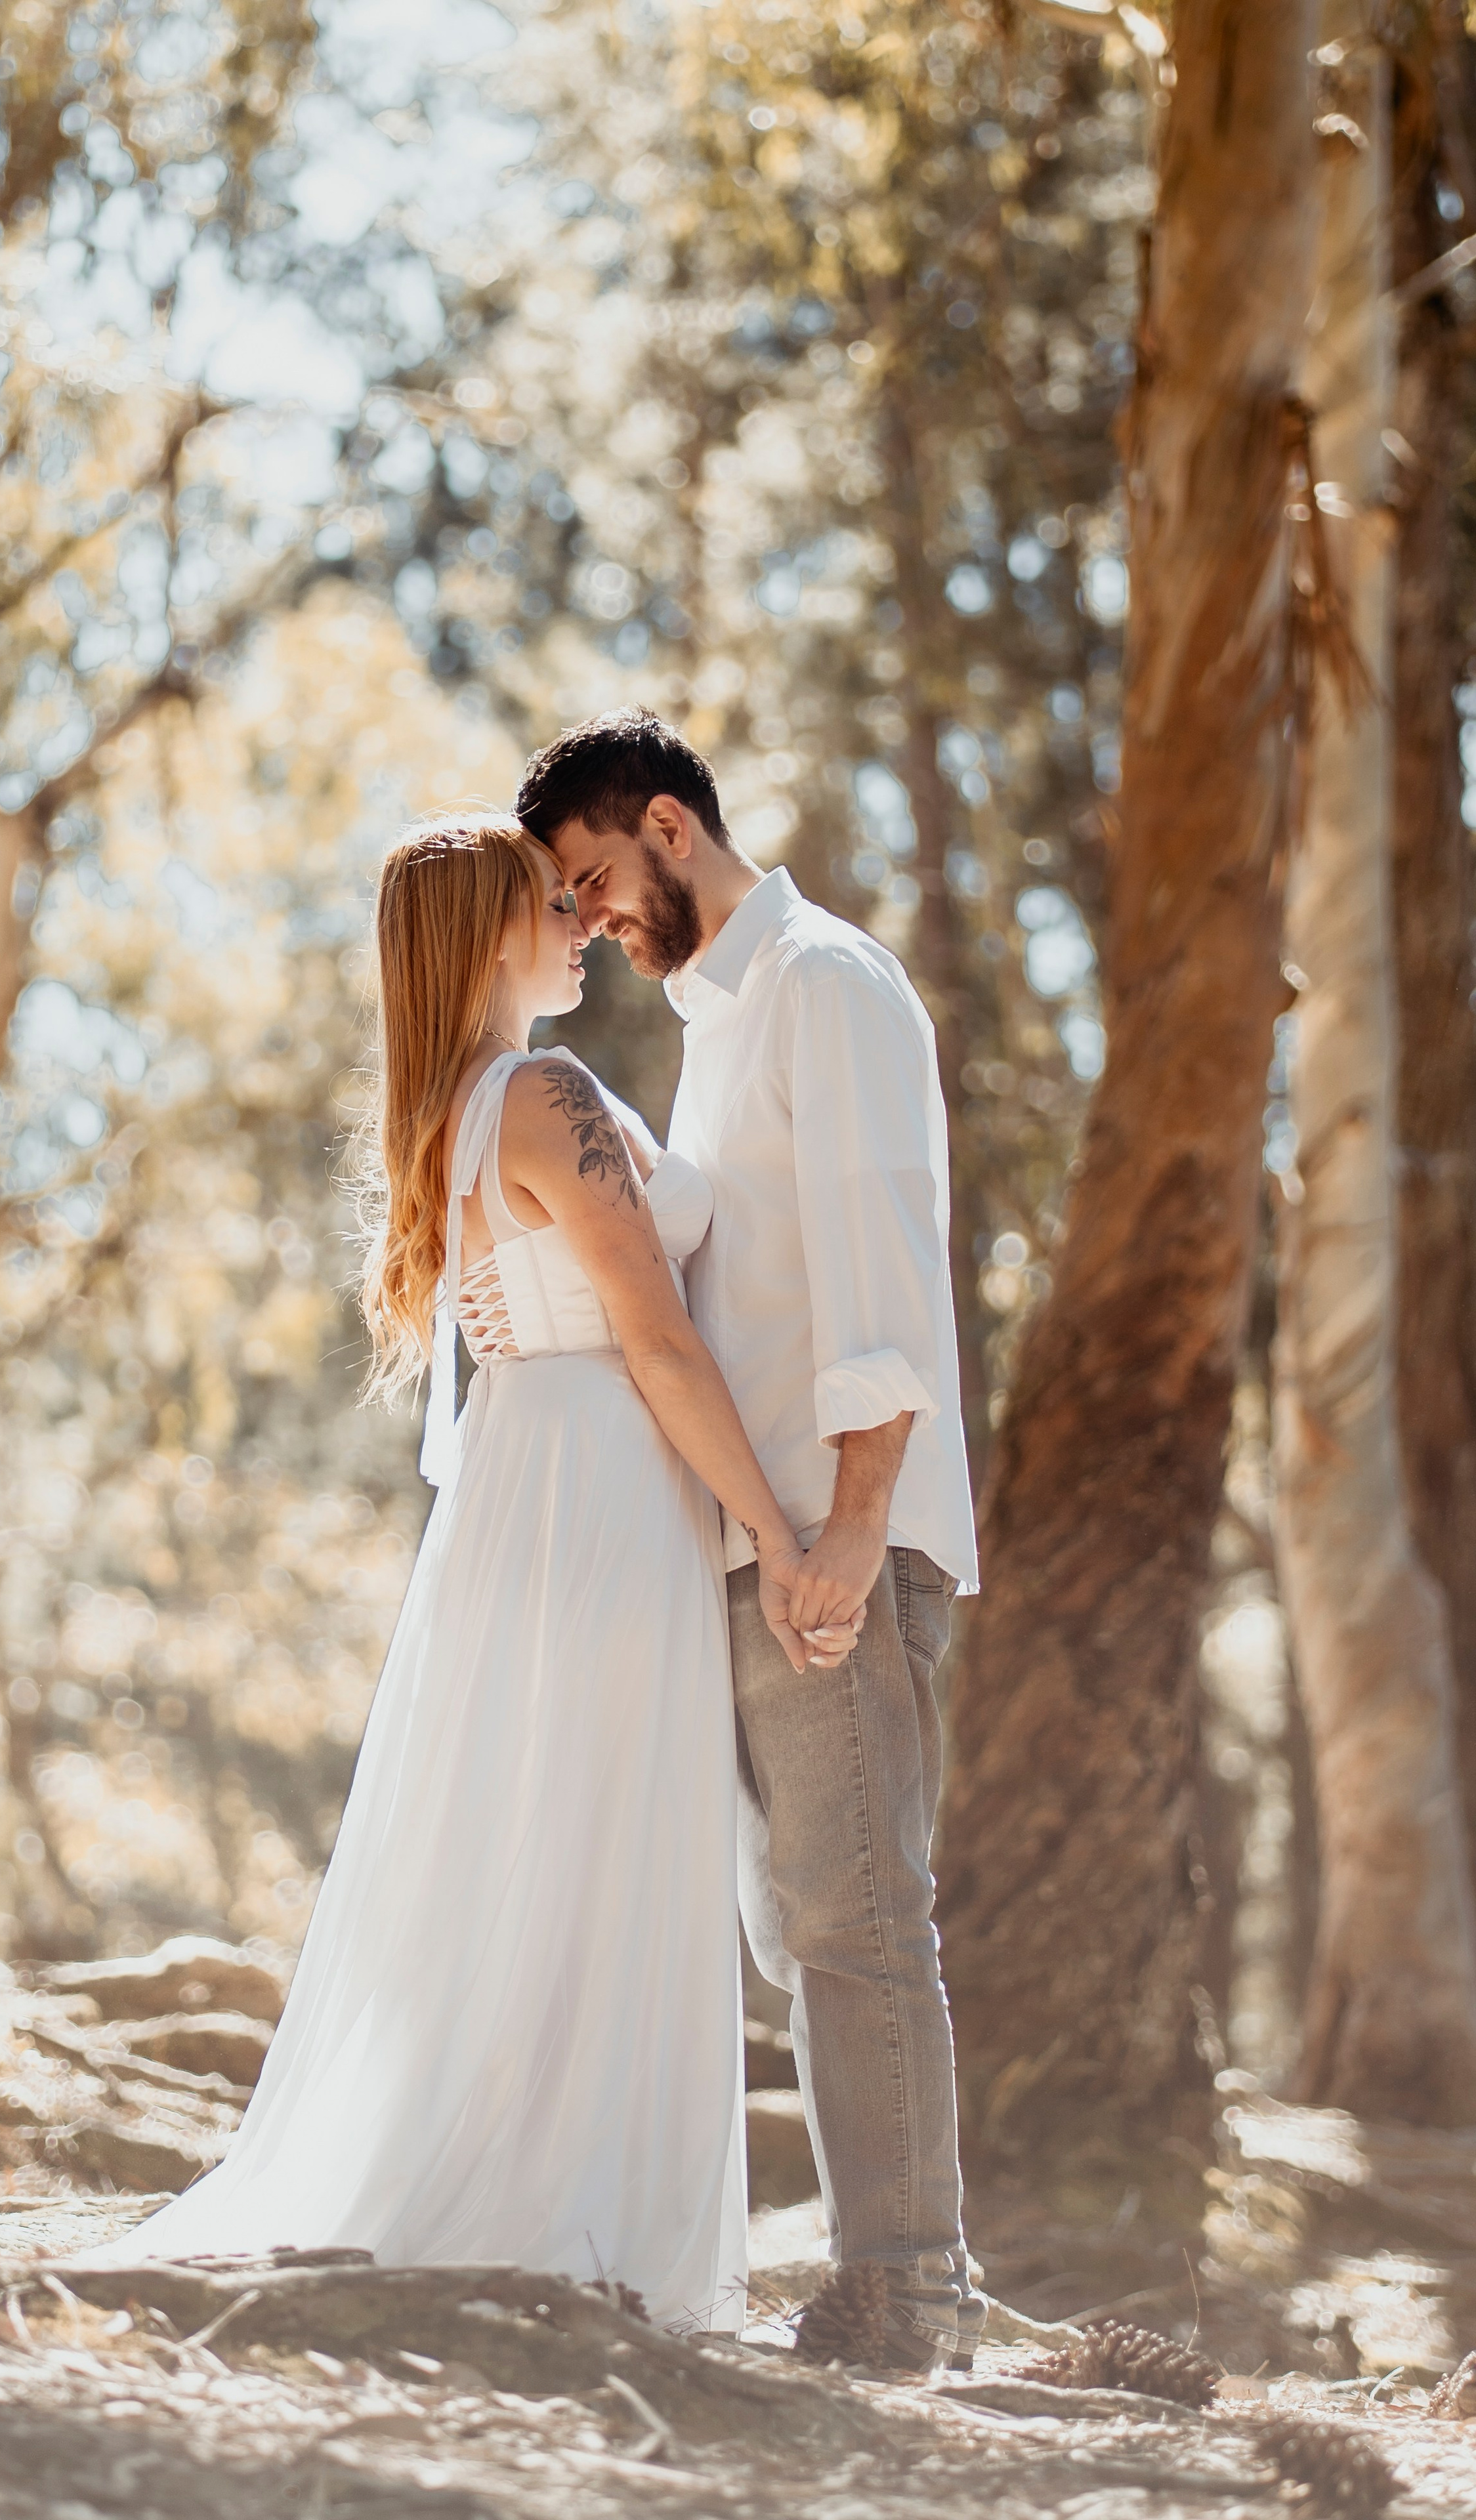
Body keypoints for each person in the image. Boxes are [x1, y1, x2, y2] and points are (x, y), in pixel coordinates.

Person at [95, 816, 861, 2331]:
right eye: (547, 904)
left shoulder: (457, 1109)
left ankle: (547, 2187)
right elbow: (654, 1337)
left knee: (552, 1841)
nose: (579, 919)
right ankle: (568, 2213)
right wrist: (781, 1537)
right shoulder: (545, 1094)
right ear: (482, 937)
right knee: (600, 1841)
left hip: (540, 1490)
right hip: (597, 1493)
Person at [517, 709, 987, 2370]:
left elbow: (882, 1275)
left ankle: (912, 2292)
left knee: (859, 1912)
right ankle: (887, 2272)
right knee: (805, 1926)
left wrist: (850, 1529)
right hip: (758, 1537)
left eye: (590, 884)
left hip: (829, 1535)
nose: (588, 926)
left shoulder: (825, 986)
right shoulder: (715, 1028)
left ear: (666, 825)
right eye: (565, 910)